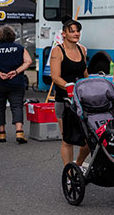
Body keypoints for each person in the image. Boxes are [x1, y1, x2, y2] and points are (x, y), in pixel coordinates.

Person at [50, 19, 90, 167]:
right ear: (64, 33)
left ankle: (78, 165)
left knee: (89, 138)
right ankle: (69, 171)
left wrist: (90, 85)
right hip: (64, 100)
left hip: (82, 100)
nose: (76, 33)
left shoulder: (82, 49)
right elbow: (55, 77)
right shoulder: (57, 51)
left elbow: (85, 73)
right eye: (72, 31)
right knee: (67, 139)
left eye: (77, 31)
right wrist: (69, 88)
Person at [0, 25, 32, 144]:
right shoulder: (20, 48)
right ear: (13, 35)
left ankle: (1, 134)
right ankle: (19, 132)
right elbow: (28, 61)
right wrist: (16, 71)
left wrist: (0, 74)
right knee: (17, 106)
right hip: (16, 82)